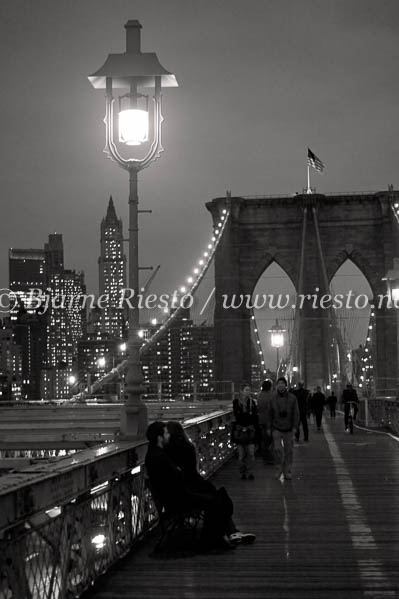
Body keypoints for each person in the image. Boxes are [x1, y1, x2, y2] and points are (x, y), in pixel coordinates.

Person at [145, 421, 255, 551]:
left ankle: (224, 535)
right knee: (215, 499)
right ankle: (217, 537)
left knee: (216, 496)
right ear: (159, 437)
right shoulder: (160, 457)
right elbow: (178, 477)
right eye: (166, 433)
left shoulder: (154, 454)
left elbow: (175, 478)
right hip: (178, 499)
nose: (168, 435)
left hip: (173, 498)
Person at [266, 377, 299, 481]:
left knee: (289, 451)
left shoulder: (292, 398)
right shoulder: (272, 398)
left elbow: (296, 414)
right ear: (276, 386)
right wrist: (268, 427)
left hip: (289, 429)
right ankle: (278, 469)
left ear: (286, 385)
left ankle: (287, 471)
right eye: (278, 383)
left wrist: (295, 427)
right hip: (276, 428)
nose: (280, 385)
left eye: (282, 383)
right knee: (277, 450)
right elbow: (269, 414)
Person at [232, 383, 259, 480]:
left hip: (250, 431)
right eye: (246, 390)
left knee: (251, 453)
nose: (248, 392)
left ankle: (250, 472)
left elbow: (255, 418)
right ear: (241, 391)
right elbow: (237, 416)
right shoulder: (236, 402)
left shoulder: (252, 403)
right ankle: (242, 472)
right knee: (241, 455)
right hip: (240, 431)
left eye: (249, 390)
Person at [257, 380, 274, 464]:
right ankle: (269, 457)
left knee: (264, 439)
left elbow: (258, 408)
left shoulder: (259, 396)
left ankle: (265, 457)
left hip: (261, 420)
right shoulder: (271, 396)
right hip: (269, 421)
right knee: (270, 439)